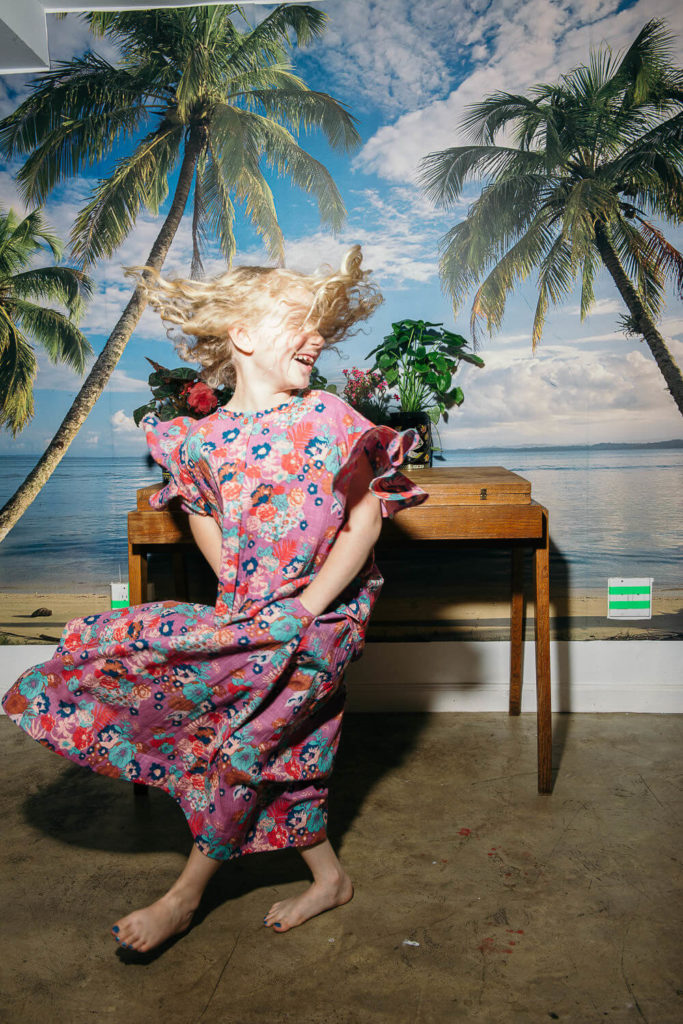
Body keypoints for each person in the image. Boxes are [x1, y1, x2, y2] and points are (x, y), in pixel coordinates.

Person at [2, 245, 429, 954]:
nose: (317, 335)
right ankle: (328, 878)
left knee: (242, 747)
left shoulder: (326, 417)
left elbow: (363, 518)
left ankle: (181, 898)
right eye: (300, 319)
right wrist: (238, 585)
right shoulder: (200, 440)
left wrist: (307, 604)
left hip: (325, 620)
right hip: (250, 615)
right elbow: (199, 508)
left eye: (321, 324)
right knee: (286, 753)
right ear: (244, 335)